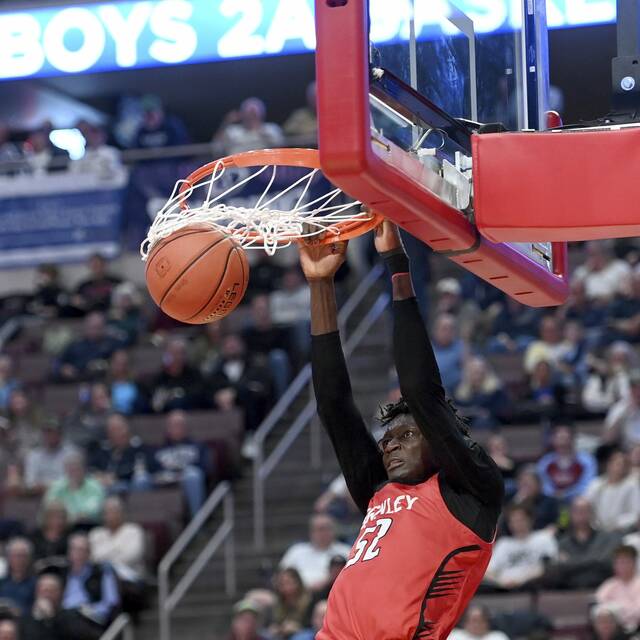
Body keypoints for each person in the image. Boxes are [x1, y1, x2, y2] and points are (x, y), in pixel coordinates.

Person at [301, 220, 503, 639]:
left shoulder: (471, 493)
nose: (390, 446)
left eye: (407, 435)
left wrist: (396, 263)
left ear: (438, 437)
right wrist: (321, 284)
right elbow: (334, 406)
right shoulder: (379, 489)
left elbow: (419, 389)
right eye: (387, 439)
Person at [542, 497, 621, 590]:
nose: (581, 515)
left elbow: (606, 563)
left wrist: (570, 562)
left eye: (584, 511)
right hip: (569, 591)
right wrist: (594, 559)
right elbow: (559, 569)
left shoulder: (605, 538)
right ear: (571, 514)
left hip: (601, 589)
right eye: (577, 511)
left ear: (592, 514)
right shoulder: (563, 542)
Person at [148, 409, 213, 517]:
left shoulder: (198, 446)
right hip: (165, 480)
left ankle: (197, 521)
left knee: (193, 475)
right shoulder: (158, 449)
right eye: (172, 425)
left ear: (186, 427)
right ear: (167, 428)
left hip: (188, 479)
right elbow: (152, 469)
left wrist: (183, 473)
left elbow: (206, 468)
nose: (176, 428)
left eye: (179, 425)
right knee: (141, 480)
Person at [59, 533, 120, 639]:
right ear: (69, 552)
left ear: (89, 553)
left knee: (72, 618)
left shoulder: (102, 572)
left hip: (91, 620)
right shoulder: (61, 573)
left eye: (82, 550)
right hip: (63, 617)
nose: (77, 553)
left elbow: (111, 602)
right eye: (74, 549)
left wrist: (88, 610)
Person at [484, 505, 558, 590]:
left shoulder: (543, 538)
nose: (517, 524)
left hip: (534, 587)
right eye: (513, 521)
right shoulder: (503, 544)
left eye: (521, 520)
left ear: (530, 520)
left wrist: (522, 580)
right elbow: (488, 571)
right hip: (504, 588)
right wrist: (501, 582)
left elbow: (551, 565)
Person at [279, 516, 350, 592]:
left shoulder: (346, 551)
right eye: (320, 529)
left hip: (333, 592)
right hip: (300, 595)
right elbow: (282, 574)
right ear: (311, 532)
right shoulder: (296, 551)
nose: (324, 533)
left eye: (328, 528)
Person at [88, 413, 148, 495]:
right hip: (105, 487)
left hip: (128, 486)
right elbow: (91, 468)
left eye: (117, 429)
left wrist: (115, 477)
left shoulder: (137, 447)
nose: (113, 433)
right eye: (110, 430)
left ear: (126, 429)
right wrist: (99, 476)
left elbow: (138, 469)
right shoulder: (104, 449)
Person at [89, 496, 146, 582]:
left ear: (121, 513)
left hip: (130, 576)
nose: (110, 515)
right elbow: (94, 558)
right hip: (101, 576)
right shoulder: (96, 533)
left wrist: (106, 559)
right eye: (107, 512)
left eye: (114, 511)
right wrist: (117, 550)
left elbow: (132, 556)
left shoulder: (134, 530)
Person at [55, 312, 124, 382]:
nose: (95, 331)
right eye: (92, 327)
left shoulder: (112, 344)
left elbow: (121, 358)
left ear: (104, 327)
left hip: (103, 381)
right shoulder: (75, 345)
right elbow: (58, 362)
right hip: (77, 380)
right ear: (86, 327)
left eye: (98, 327)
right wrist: (63, 368)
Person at [537, 424, 597, 503]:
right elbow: (543, 484)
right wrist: (554, 494)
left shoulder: (586, 460)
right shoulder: (545, 462)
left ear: (573, 440)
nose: (563, 443)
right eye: (559, 438)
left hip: (577, 499)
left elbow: (588, 485)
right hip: (551, 501)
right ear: (553, 440)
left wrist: (566, 494)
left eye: (566, 439)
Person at [585, 449, 640, 532]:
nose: (620, 468)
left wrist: (617, 524)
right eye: (618, 464)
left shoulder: (631, 486)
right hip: (596, 530)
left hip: (621, 530)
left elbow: (635, 513)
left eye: (624, 465)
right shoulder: (596, 484)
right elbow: (586, 505)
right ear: (609, 465)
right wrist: (593, 524)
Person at [44, 452, 105, 526]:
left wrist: (68, 516)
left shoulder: (95, 487)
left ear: (84, 469)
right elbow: (49, 507)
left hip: (88, 525)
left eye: (77, 468)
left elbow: (93, 511)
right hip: (62, 526)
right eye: (70, 469)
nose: (74, 472)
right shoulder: (57, 487)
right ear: (65, 470)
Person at [213, 97, 284, 156]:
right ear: (242, 114)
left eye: (254, 114)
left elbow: (281, 147)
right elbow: (216, 149)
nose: (251, 117)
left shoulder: (271, 129)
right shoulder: (232, 131)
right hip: (237, 167)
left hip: (265, 166)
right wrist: (226, 123)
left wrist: (263, 133)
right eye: (249, 113)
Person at [595, 545, 640, 632]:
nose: (622, 566)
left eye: (625, 562)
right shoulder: (608, 585)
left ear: (634, 563)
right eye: (618, 563)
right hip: (613, 631)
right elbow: (599, 609)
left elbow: (638, 612)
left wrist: (616, 610)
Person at [23, 421, 78, 493]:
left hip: (66, 495)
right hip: (38, 496)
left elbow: (73, 481)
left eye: (54, 432)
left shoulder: (72, 453)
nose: (50, 436)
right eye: (47, 433)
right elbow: (30, 483)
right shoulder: (33, 455)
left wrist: (46, 486)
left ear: (60, 434)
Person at [505, 465, 559, 532]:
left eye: (529, 483)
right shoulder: (510, 499)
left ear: (539, 485)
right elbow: (504, 523)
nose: (525, 487)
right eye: (522, 483)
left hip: (541, 536)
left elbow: (558, 522)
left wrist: (553, 528)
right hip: (515, 538)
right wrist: (517, 501)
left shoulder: (550, 502)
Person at [20, 573, 65, 640]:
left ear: (60, 594)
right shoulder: (26, 620)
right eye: (44, 591)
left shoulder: (68, 618)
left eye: (51, 591)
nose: (47, 595)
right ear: (37, 593)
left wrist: (50, 619)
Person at [270, 568, 312, 640]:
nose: (285, 587)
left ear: (297, 582)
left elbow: (313, 624)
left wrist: (298, 628)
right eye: (282, 584)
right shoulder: (278, 603)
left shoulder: (309, 600)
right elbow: (275, 622)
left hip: (304, 633)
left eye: (288, 582)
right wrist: (276, 628)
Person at [604, 369, 640, 448]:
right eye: (636, 388)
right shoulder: (619, 409)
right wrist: (625, 414)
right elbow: (608, 439)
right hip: (627, 452)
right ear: (631, 390)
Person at [0, 538, 37, 614]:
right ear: (8, 558)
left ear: (29, 558)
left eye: (23, 556)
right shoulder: (2, 582)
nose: (19, 560)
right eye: (15, 555)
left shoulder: (36, 584)